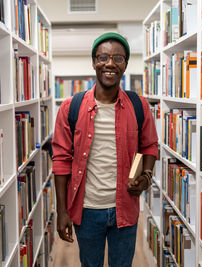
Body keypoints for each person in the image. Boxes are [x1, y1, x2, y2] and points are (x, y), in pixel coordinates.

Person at [52, 32, 159, 267]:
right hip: (87, 210)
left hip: (125, 208)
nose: (110, 63)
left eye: (118, 58)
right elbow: (61, 161)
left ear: (125, 65)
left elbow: (150, 145)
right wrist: (62, 211)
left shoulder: (138, 106)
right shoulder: (71, 107)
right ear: (93, 62)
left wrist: (147, 176)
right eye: (103, 57)